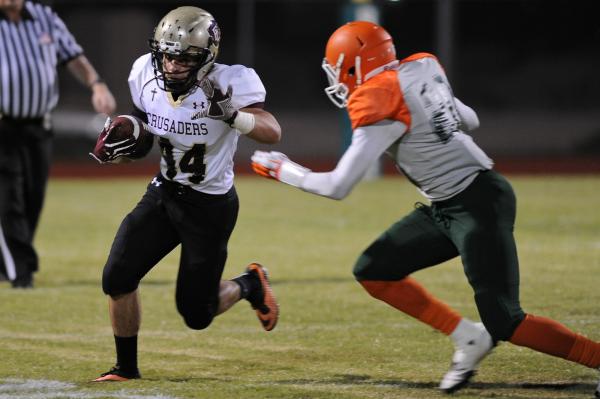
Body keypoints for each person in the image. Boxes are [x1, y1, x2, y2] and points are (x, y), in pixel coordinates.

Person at [251, 21, 600, 395]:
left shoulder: (379, 98)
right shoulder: (421, 68)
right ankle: (469, 338)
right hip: (451, 204)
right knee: (375, 270)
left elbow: (338, 186)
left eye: (339, 70)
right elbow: (471, 119)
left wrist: (283, 170)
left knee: (505, 320)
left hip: (476, 204)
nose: (337, 79)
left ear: (355, 65)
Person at [90, 6, 281, 382]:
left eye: (183, 57)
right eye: (166, 54)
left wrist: (234, 116)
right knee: (117, 277)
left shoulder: (230, 83)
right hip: (164, 194)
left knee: (196, 314)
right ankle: (126, 368)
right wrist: (121, 143)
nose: (172, 64)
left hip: (209, 207)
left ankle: (249, 284)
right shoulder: (145, 72)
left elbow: (272, 131)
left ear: (205, 57)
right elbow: (142, 128)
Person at [0, 0, 116, 288]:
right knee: (8, 197)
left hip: (39, 124)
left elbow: (73, 56)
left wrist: (97, 84)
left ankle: (8, 263)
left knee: (32, 197)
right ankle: (21, 272)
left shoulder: (44, 17)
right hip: (2, 126)